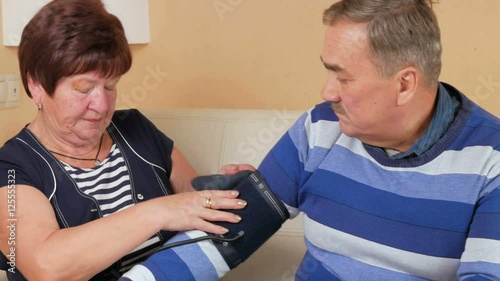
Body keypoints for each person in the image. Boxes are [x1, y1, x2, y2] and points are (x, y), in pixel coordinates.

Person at [0, 1, 248, 280]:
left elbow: (192, 199)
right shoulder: (10, 167)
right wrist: (158, 213)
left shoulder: (135, 128)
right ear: (36, 86)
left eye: (110, 86)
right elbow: (45, 267)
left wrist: (228, 190)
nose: (102, 104)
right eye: (83, 88)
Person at [253, 0, 500, 280]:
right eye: (329, 72)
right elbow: (226, 234)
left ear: (404, 85)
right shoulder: (321, 126)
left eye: (343, 78)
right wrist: (215, 200)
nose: (327, 92)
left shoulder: (492, 161)